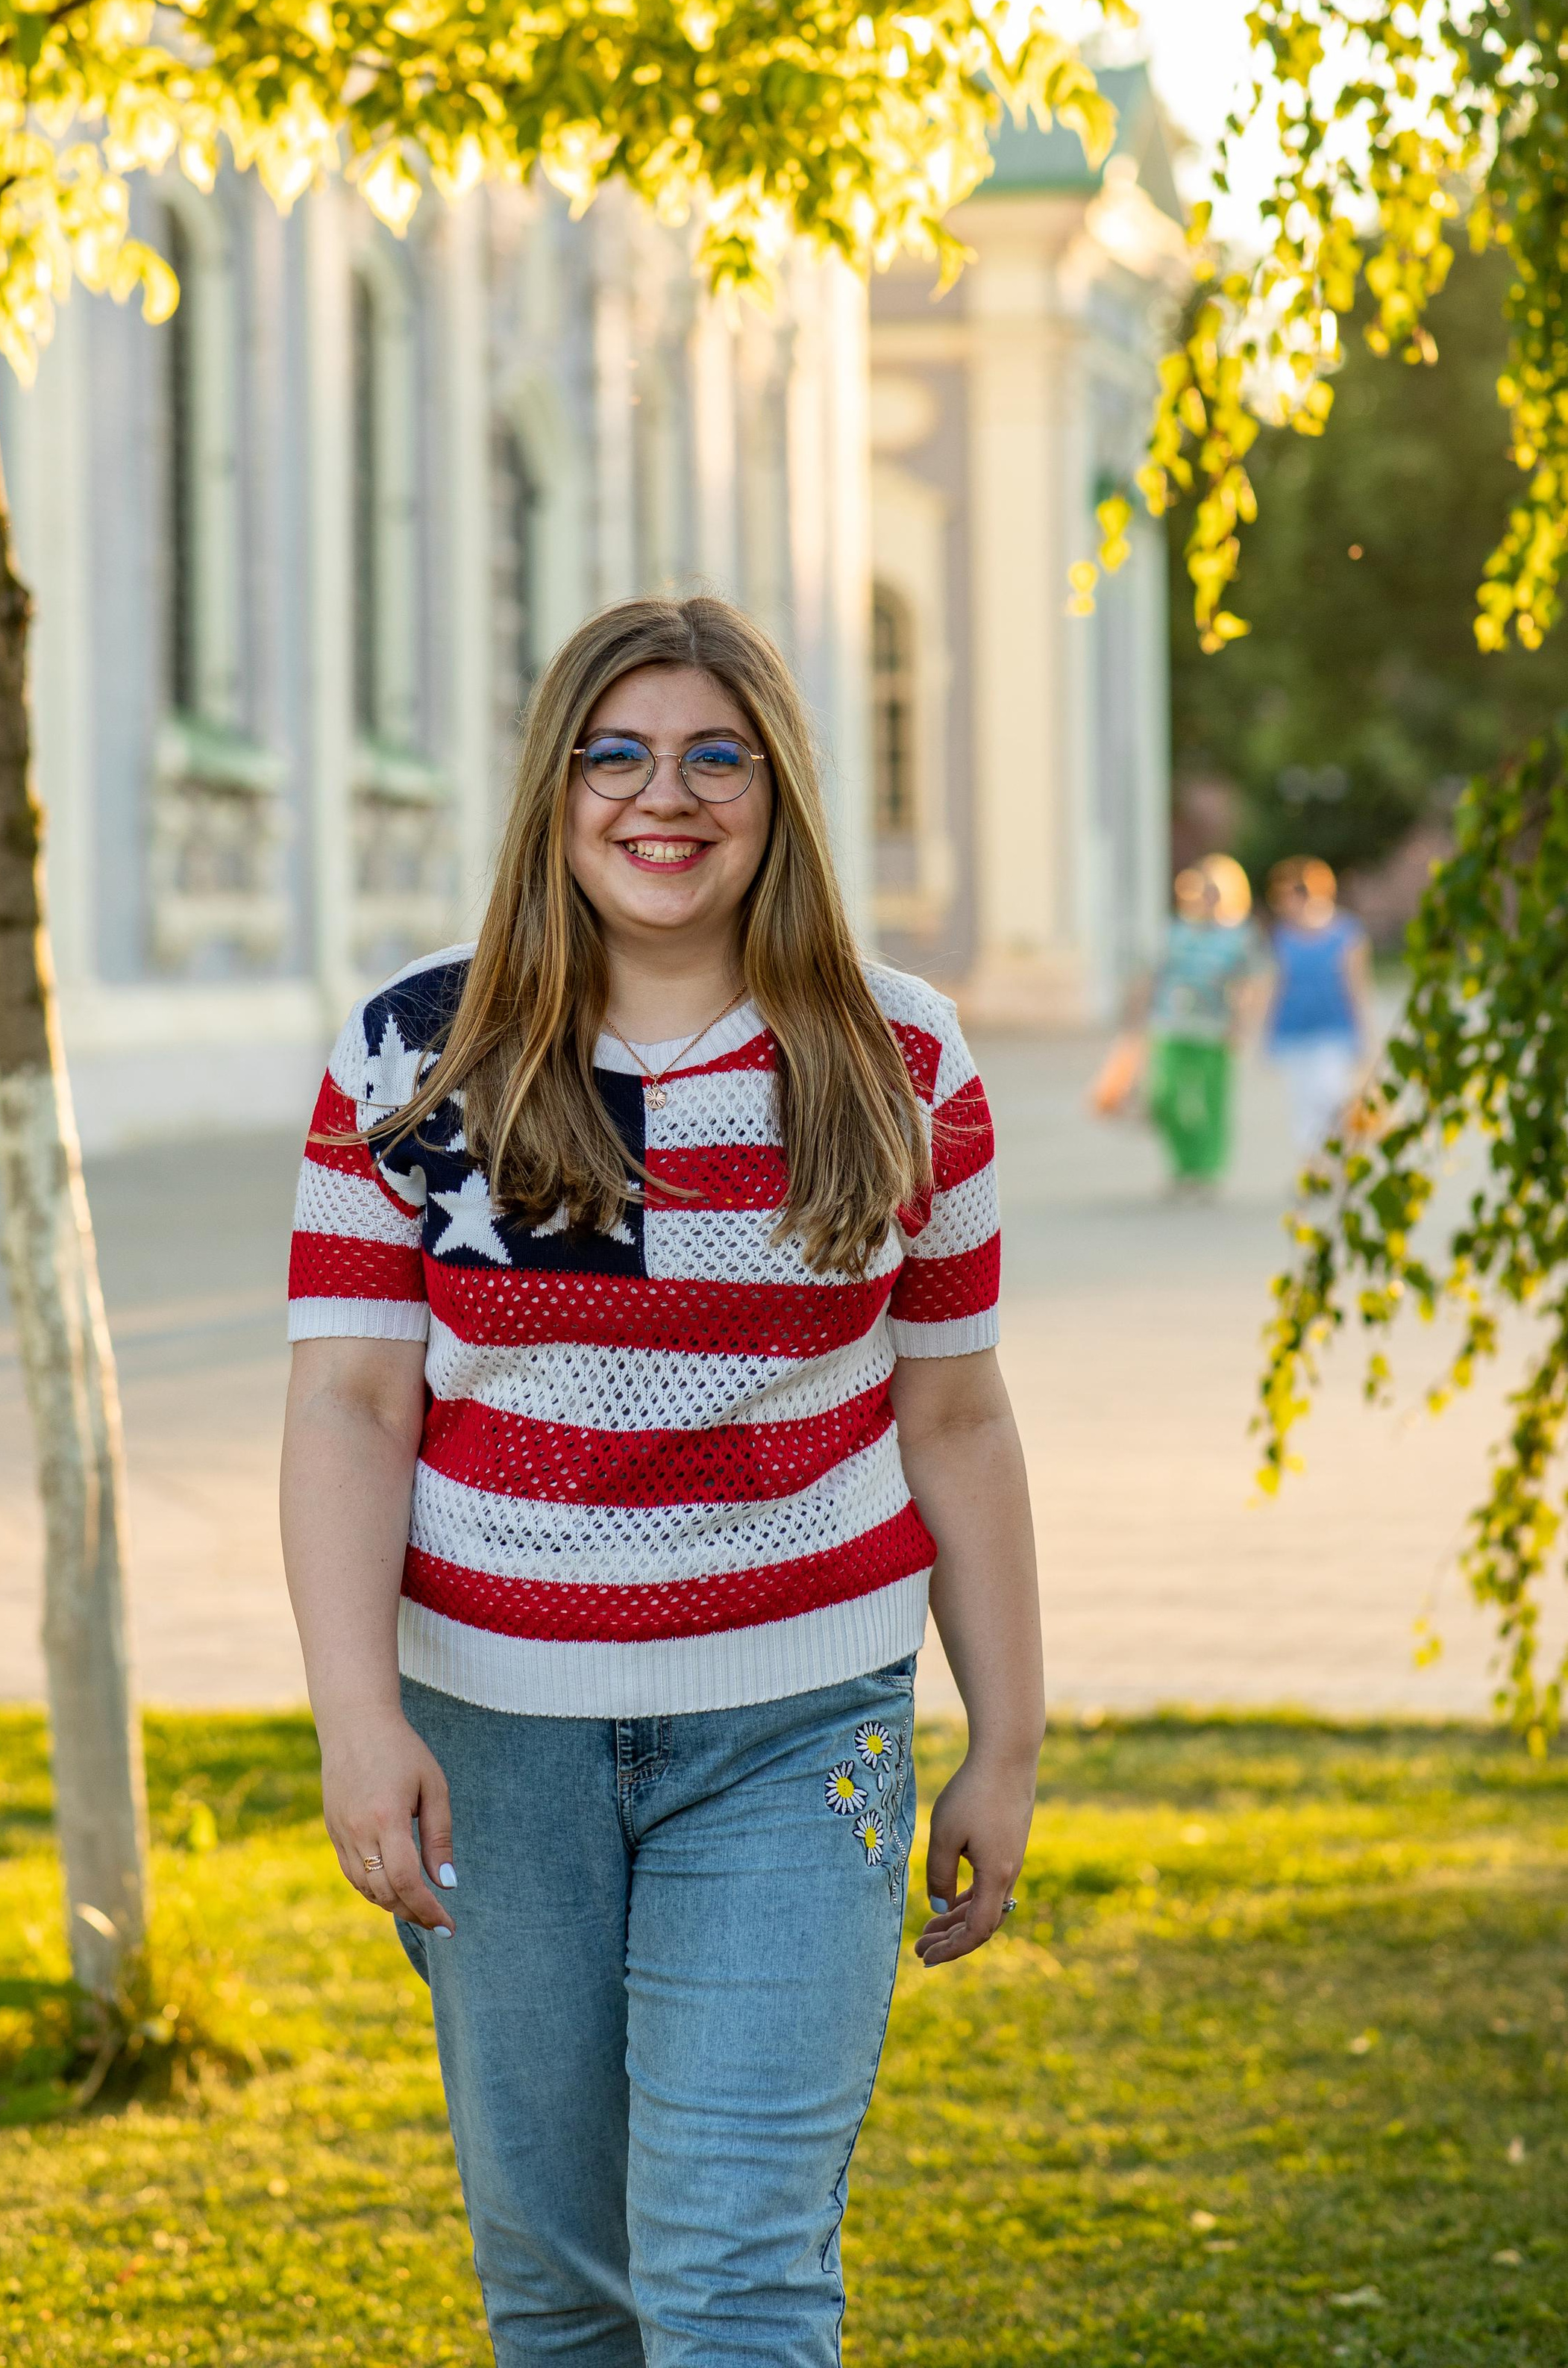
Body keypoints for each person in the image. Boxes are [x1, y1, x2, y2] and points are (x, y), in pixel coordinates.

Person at [280, 594, 1044, 2368]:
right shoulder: (415, 1054)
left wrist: (1003, 1740)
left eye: (715, 754)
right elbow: (345, 1410)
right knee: (562, 2296)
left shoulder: (897, 1052)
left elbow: (957, 1418)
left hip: (797, 1729)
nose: (662, 795)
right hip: (488, 1745)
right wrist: (349, 1715)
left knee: (733, 2283)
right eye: (613, 753)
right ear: (552, 788)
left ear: (775, 790)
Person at [1090, 854, 1259, 1190]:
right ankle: (1183, 1163)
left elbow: (1247, 985)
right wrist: (1133, 1022)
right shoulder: (1171, 933)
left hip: (1213, 1029)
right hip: (1170, 1025)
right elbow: (1150, 977)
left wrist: (1241, 1025)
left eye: (1211, 892)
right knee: (1166, 1097)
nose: (1204, 899)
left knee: (1212, 1101)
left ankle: (1207, 1167)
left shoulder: (1236, 937)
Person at [1265, 854, 1373, 1155]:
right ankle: (1314, 1166)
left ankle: (1338, 1153)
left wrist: (1364, 1032)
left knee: (1331, 1095)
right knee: (1302, 1103)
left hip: (1333, 1028)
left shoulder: (1346, 933)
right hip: (1295, 1029)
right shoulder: (1283, 937)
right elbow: (1276, 986)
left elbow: (1357, 986)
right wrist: (1267, 1032)